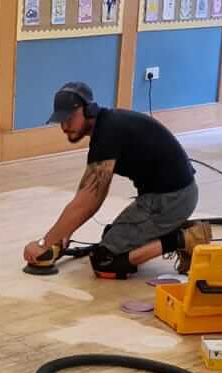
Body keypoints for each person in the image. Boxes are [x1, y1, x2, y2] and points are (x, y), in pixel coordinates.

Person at [22, 82, 210, 280]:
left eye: (70, 118)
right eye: (61, 120)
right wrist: (63, 235)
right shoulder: (108, 125)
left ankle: (185, 238)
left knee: (106, 261)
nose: (64, 126)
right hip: (169, 195)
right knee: (111, 236)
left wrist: (45, 244)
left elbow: (89, 201)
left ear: (88, 110)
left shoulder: (107, 135)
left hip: (170, 199)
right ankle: (175, 231)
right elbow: (85, 194)